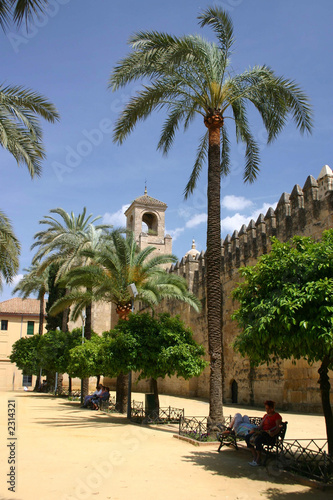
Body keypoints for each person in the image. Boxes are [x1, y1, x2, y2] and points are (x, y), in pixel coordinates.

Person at [245, 400, 282, 467]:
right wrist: (255, 430)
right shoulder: (265, 416)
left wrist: (272, 433)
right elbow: (261, 426)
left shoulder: (277, 416)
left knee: (258, 440)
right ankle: (255, 456)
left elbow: (278, 427)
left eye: (268, 409)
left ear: (272, 408)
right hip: (262, 433)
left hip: (269, 436)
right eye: (266, 408)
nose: (267, 410)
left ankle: (258, 459)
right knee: (247, 437)